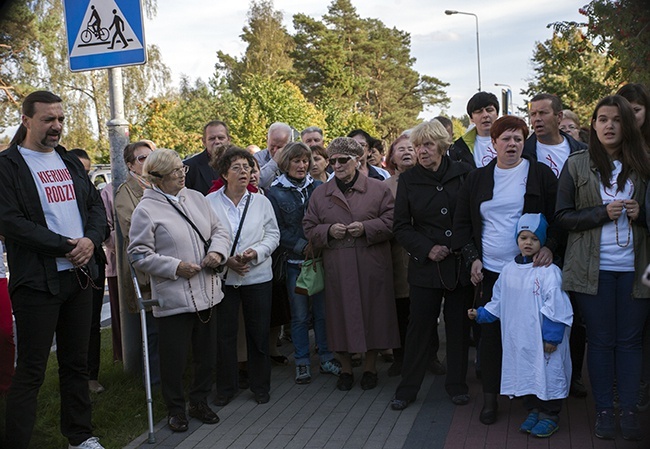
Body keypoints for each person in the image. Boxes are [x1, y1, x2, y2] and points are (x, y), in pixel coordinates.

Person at [0, 91, 107, 449]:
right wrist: (67, 246)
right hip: (37, 282)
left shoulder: (69, 161)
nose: (57, 127)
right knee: (30, 370)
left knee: (75, 365)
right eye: (48, 119)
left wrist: (90, 241)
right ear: (26, 121)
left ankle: (80, 436)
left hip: (79, 276)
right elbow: (11, 222)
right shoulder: (8, 166)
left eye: (60, 119)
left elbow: (94, 207)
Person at [453, 115, 559, 425]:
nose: (511, 144)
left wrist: (550, 246)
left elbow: (557, 217)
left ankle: (532, 397)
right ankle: (491, 399)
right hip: (491, 271)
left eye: (517, 138)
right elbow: (461, 224)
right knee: (491, 336)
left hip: (529, 272)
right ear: (494, 143)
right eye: (505, 138)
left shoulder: (539, 174)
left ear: (523, 142)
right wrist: (473, 257)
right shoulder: (477, 179)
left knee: (528, 334)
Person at [555, 95, 650, 441]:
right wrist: (600, 213)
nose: (609, 125)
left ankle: (628, 410)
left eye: (616, 119)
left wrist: (644, 215)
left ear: (627, 124)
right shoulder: (576, 164)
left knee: (629, 343)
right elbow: (562, 216)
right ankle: (605, 412)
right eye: (602, 119)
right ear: (593, 125)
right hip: (590, 271)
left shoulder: (645, 164)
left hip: (638, 271)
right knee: (600, 341)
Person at [128, 148, 230, 433]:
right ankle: (175, 409)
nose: (180, 175)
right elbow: (137, 254)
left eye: (181, 169)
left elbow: (220, 231)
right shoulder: (145, 210)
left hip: (208, 292)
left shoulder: (196, 198)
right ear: (157, 178)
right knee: (173, 360)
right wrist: (175, 267)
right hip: (173, 297)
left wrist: (218, 254)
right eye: (174, 172)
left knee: (206, 355)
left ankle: (199, 401)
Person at [389, 121, 474, 411]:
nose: (422, 151)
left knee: (458, 328)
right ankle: (408, 388)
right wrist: (427, 248)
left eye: (427, 145)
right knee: (419, 329)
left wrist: (458, 246)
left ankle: (457, 384)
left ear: (442, 144)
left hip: (459, 264)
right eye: (417, 146)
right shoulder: (409, 180)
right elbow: (401, 226)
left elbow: (473, 219)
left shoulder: (464, 173)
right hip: (425, 267)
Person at [303, 137, 400, 391]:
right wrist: (327, 231)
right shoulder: (320, 193)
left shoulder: (379, 189)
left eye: (343, 160)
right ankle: (346, 369)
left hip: (371, 264)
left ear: (357, 161)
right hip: (338, 264)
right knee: (338, 317)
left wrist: (366, 227)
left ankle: (370, 368)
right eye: (332, 160)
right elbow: (309, 227)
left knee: (374, 315)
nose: (337, 165)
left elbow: (392, 222)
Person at [468, 213, 573, 438]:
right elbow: (498, 300)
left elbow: (557, 305)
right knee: (526, 373)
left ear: (542, 242)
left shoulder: (549, 272)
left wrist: (552, 336)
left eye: (534, 239)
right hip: (519, 339)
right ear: (516, 240)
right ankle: (533, 409)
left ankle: (550, 414)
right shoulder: (508, 270)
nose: (528, 243)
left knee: (548, 373)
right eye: (523, 237)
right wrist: (482, 314)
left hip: (543, 340)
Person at [207, 147, 280, 406]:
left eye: (248, 167)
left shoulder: (261, 201)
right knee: (224, 335)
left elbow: (273, 235)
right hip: (224, 277)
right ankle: (226, 388)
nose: (243, 172)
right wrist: (226, 260)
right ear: (224, 173)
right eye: (236, 167)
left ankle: (261, 387)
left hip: (257, 276)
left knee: (258, 334)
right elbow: (204, 237)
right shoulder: (210, 202)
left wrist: (255, 253)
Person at [266, 142, 341, 384]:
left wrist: (319, 241)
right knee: (298, 316)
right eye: (296, 161)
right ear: (286, 163)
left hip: (320, 260)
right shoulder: (274, 192)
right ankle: (302, 362)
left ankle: (327, 357)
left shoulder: (319, 187)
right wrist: (301, 245)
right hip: (294, 264)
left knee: (322, 313)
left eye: (305, 161)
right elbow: (276, 230)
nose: (302, 165)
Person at [114, 140, 161, 385]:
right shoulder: (126, 191)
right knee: (151, 330)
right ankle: (153, 384)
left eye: (150, 157)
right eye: (142, 158)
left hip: (168, 265)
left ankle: (173, 377)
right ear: (131, 165)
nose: (147, 162)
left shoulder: (161, 186)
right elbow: (133, 229)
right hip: (145, 270)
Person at [617, 83, 650, 412]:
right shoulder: (609, 149)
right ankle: (632, 387)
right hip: (629, 257)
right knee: (632, 329)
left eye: (635, 111)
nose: (628, 118)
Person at [68, 148, 108, 395]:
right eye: (78, 170)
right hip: (66, 264)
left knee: (92, 323)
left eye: (87, 171)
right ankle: (74, 378)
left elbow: (104, 227)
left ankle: (91, 376)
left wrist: (90, 239)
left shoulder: (93, 197)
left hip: (93, 264)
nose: (83, 175)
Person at [524, 94, 587, 178]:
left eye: (543, 113)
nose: (537, 118)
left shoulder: (583, 151)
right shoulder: (523, 153)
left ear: (559, 116)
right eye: (533, 114)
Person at [449, 92, 499, 168]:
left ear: (497, 114)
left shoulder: (515, 142)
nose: (485, 115)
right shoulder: (459, 148)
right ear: (471, 118)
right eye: (479, 112)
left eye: (489, 110)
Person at [184, 120, 231, 195]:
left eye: (221, 138)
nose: (217, 141)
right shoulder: (190, 167)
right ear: (204, 142)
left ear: (229, 140)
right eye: (212, 138)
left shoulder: (241, 163)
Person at [255, 122, 292, 189]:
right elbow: (258, 182)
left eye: (279, 147)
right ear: (267, 139)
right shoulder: (257, 158)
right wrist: (274, 162)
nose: (275, 150)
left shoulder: (293, 159)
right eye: (272, 146)